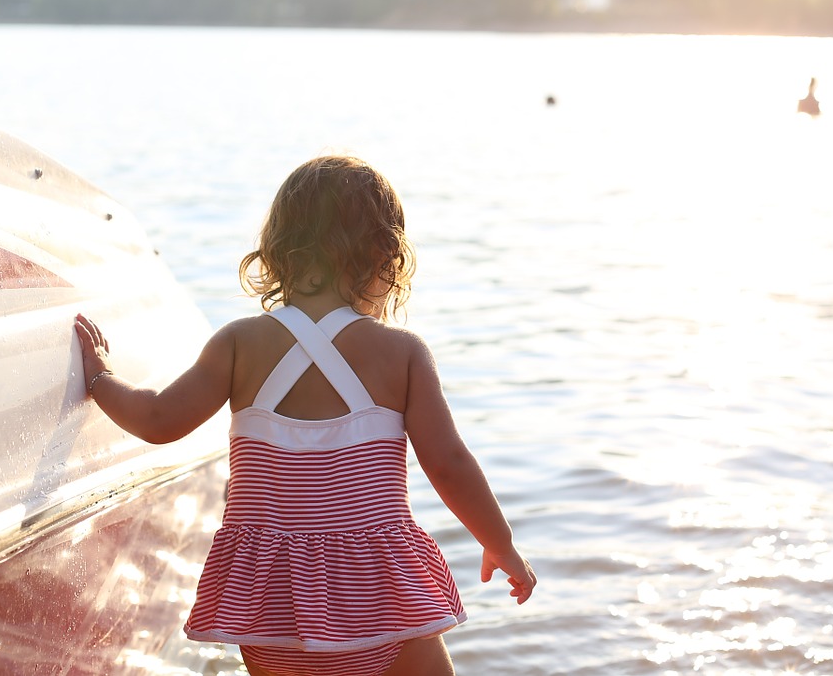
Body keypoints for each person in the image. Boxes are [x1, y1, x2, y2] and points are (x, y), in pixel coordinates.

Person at [74, 155, 536, 676]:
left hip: (272, 606)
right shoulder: (401, 353)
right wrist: (500, 544)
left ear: (276, 251)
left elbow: (158, 421)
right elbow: (448, 463)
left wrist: (99, 381)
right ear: (386, 255)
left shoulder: (237, 344)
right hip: (377, 595)